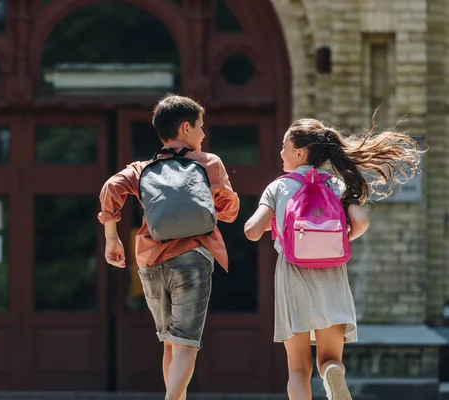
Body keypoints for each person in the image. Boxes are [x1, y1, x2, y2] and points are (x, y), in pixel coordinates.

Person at [243, 118, 422, 400]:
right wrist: (333, 241)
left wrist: (273, 225)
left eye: (284, 147)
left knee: (298, 369)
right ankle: (331, 373)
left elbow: (253, 231)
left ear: (299, 152)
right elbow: (361, 221)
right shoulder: (337, 184)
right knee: (329, 358)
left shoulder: (278, 187)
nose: (280, 153)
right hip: (332, 275)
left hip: (293, 276)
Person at [98, 94, 240, 400]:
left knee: (170, 342)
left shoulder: (141, 168)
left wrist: (112, 237)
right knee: (187, 342)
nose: (204, 133)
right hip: (193, 258)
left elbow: (111, 187)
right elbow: (229, 211)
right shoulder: (208, 162)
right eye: (201, 127)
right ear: (186, 128)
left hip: (150, 262)